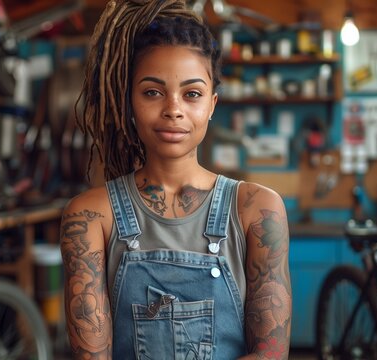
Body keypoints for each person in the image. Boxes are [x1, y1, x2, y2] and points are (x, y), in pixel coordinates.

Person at [60, 0, 291, 358]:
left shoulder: (258, 210)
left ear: (212, 105)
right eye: (152, 92)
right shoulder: (91, 215)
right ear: (129, 103)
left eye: (192, 93)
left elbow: (270, 354)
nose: (173, 108)